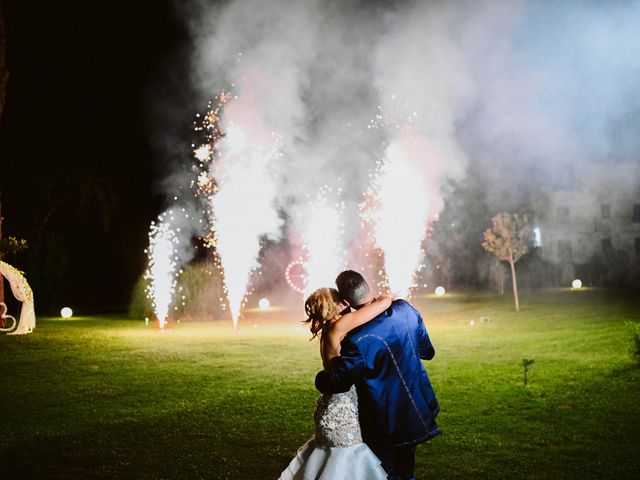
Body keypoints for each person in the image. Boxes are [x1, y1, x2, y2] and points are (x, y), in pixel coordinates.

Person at [315, 270, 441, 480]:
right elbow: (427, 351)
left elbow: (339, 381)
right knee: (406, 470)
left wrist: (320, 378)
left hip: (385, 422)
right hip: (417, 408)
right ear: (368, 285)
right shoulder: (406, 309)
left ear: (346, 301)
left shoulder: (355, 338)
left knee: (383, 473)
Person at [278, 287, 393, 480]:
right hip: (342, 407)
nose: (345, 302)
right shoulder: (339, 325)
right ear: (333, 305)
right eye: (340, 299)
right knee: (347, 461)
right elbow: (384, 303)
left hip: (330, 405)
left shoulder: (328, 328)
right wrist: (381, 296)